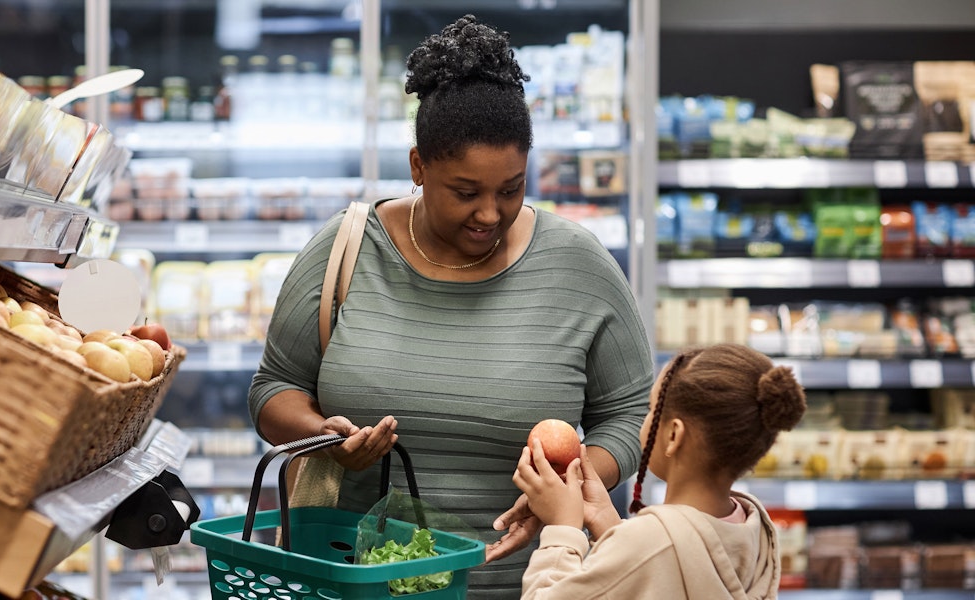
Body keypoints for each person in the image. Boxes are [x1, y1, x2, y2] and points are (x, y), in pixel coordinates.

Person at [247, 14, 653, 597]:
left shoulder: (577, 265)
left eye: (511, 189)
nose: (490, 213)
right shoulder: (347, 248)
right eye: (466, 193)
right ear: (419, 168)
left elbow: (633, 414)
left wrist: (573, 486)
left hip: (531, 586)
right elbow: (273, 390)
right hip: (355, 582)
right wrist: (324, 436)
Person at [514, 343, 807, 599]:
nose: (645, 418)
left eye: (652, 409)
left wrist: (563, 529)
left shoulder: (646, 543)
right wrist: (610, 527)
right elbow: (671, 572)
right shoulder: (753, 527)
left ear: (673, 435)